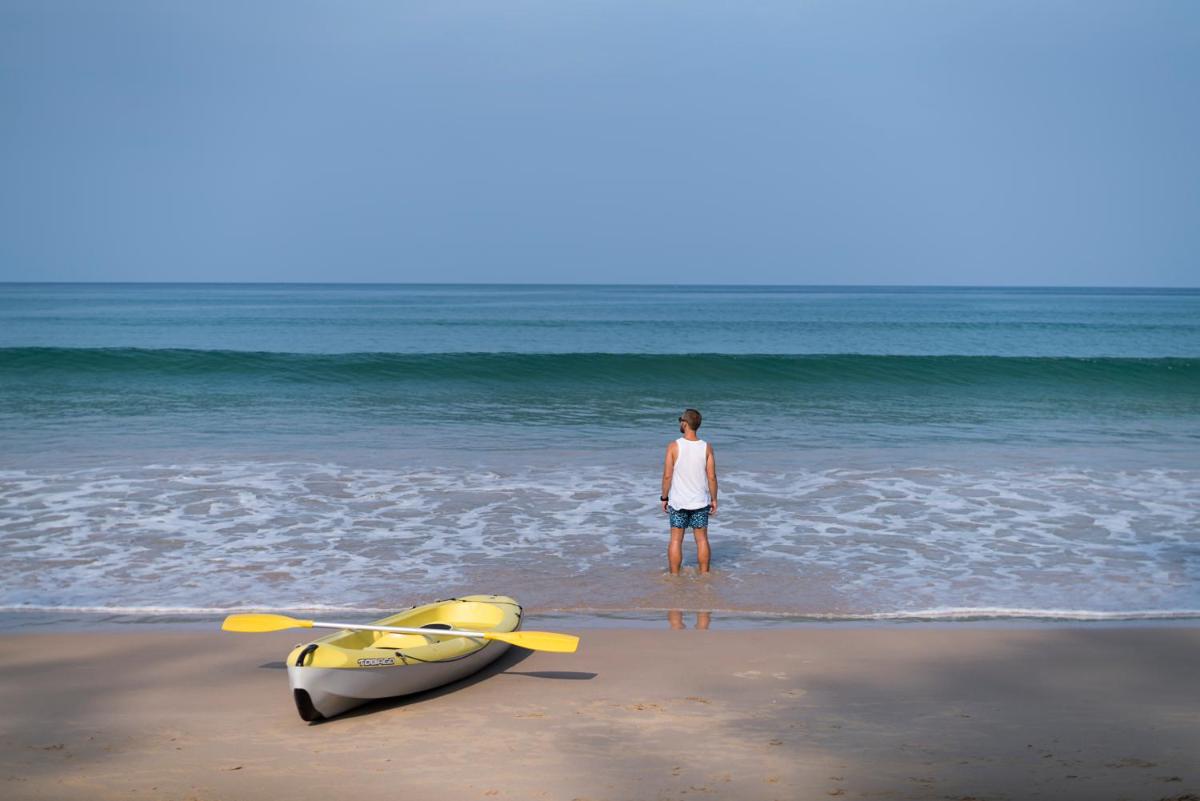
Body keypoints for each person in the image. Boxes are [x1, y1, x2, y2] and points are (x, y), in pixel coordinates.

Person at [660, 408, 718, 575]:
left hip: (678, 502)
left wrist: (664, 497)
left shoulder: (674, 446)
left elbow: (667, 476)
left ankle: (674, 575)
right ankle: (705, 575)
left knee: (676, 540)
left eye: (681, 420)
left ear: (685, 424)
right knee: (702, 540)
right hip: (700, 502)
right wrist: (714, 499)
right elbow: (712, 477)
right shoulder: (706, 447)